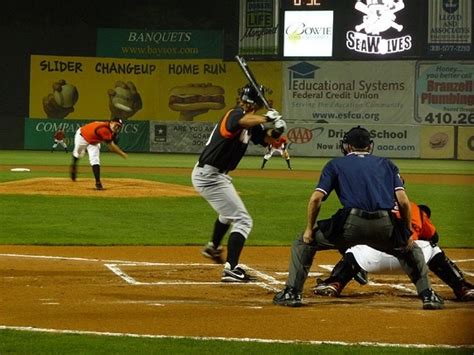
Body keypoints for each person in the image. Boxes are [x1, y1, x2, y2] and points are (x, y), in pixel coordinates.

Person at [273, 125, 443, 310]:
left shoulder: (335, 164)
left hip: (350, 226)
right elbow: (403, 201)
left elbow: (316, 199)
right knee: (411, 250)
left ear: (347, 146)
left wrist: (309, 229)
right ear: (370, 146)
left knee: (303, 242)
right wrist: (407, 232)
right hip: (385, 226)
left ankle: (292, 293)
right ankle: (428, 295)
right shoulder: (387, 164)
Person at [192, 84, 286, 282]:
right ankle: (231, 269)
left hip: (217, 175)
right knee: (243, 220)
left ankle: (213, 247)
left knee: (228, 214)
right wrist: (267, 118)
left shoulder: (253, 124)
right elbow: (239, 123)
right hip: (209, 176)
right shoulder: (234, 114)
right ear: (256, 104)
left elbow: (267, 140)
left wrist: (277, 130)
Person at [314, 202, 474, 301]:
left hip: (372, 261)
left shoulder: (366, 206)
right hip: (412, 258)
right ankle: (462, 287)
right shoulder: (414, 207)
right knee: (432, 247)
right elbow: (434, 237)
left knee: (353, 247)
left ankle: (335, 282)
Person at [70, 118, 127, 190]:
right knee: (77, 154)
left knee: (95, 160)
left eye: (119, 127)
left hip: (94, 141)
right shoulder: (104, 129)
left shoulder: (111, 129)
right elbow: (112, 147)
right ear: (111, 122)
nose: (117, 127)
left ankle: (98, 182)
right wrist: (122, 153)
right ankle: (74, 167)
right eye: (116, 125)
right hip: (82, 137)